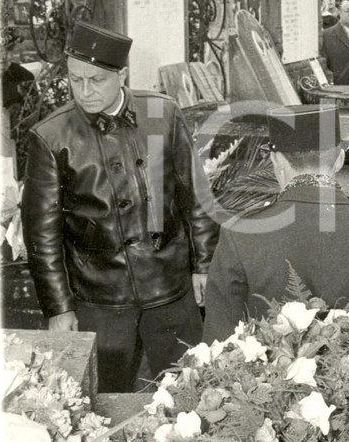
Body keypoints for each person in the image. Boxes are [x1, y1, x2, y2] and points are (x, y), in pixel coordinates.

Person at [22, 22, 218, 392]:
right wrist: (58, 308)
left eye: (96, 80)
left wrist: (204, 265)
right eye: (75, 80)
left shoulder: (162, 114)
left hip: (170, 291)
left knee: (190, 394)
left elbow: (196, 196)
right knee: (105, 401)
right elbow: (42, 236)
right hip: (100, 300)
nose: (85, 91)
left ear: (122, 75)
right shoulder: (51, 137)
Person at [202, 104, 349, 358]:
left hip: (264, 394)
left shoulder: (240, 233)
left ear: (275, 160)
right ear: (339, 160)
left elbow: (218, 348)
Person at [320, 0, 349, 85]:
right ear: (339, 12)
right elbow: (323, 63)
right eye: (347, 11)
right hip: (339, 86)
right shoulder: (327, 35)